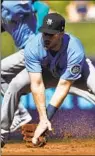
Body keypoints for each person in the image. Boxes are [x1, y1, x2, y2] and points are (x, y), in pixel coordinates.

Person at [1, 13, 95, 148]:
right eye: (44, 33)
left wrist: (47, 119)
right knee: (15, 85)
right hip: (46, 72)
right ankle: (2, 134)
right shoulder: (33, 46)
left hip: (77, 73)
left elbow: (64, 86)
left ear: (61, 33)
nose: (46, 37)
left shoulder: (74, 48)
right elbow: (37, 84)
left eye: (51, 34)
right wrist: (43, 119)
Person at [1, 0, 39, 135]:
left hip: (33, 49)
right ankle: (20, 113)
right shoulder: (4, 8)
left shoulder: (9, 4)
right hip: (27, 51)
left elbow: (31, 5)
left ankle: (20, 114)